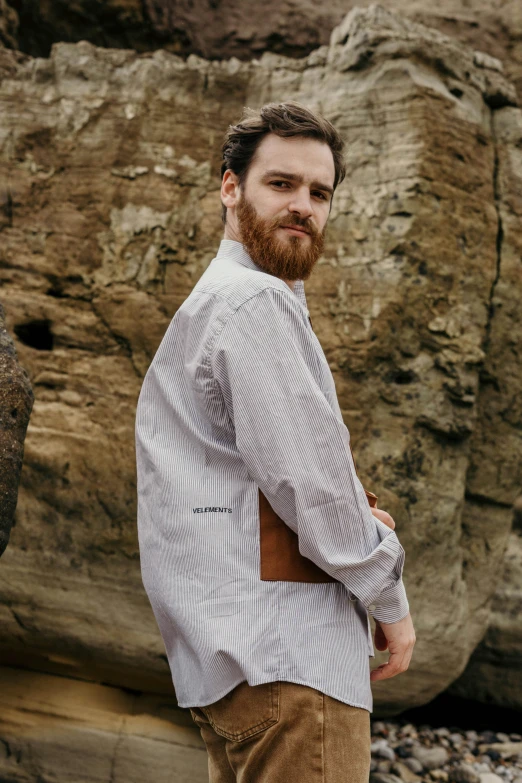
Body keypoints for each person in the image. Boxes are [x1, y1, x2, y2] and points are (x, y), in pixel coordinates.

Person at [135, 100, 416, 782]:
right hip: (290, 665)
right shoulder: (251, 303)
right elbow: (309, 486)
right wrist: (391, 600)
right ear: (230, 187)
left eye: (320, 193)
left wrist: (352, 509)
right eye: (281, 184)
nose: (303, 206)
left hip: (232, 665)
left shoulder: (215, 304)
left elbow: (252, 479)